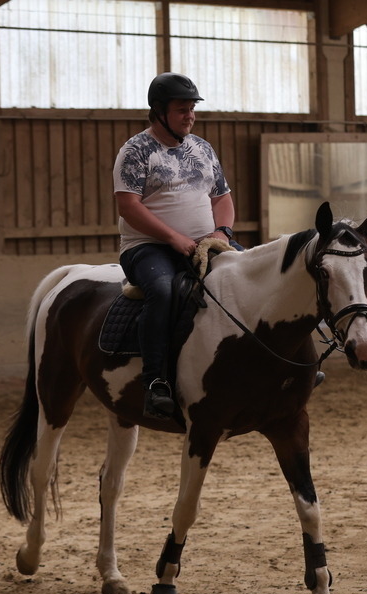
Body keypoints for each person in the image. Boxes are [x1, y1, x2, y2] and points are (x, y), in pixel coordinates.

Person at [113, 73, 237, 420]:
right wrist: (172, 237)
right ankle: (155, 383)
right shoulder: (136, 150)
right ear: (159, 112)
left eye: (191, 109)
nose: (190, 116)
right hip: (148, 246)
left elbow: (222, 197)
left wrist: (223, 232)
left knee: (252, 277)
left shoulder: (202, 148)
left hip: (206, 242)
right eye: (182, 110)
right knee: (163, 291)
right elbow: (129, 206)